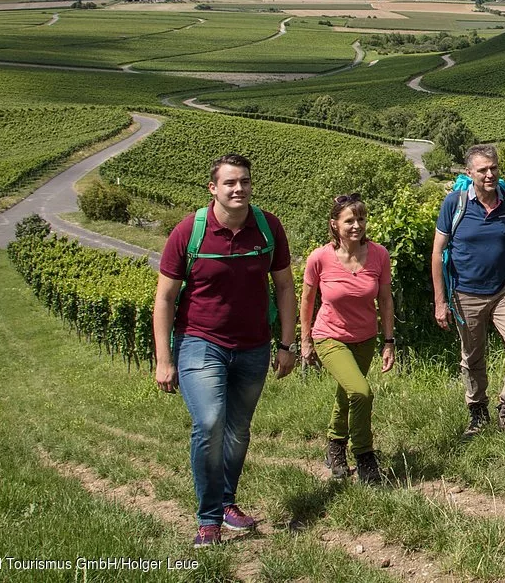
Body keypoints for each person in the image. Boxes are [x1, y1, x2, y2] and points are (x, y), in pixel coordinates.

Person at [153, 153, 298, 548]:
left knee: (238, 431)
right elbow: (165, 298)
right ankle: (208, 519)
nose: (239, 189)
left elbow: (285, 286)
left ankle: (227, 502)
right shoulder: (189, 232)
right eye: (230, 183)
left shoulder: (268, 228)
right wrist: (164, 359)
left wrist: (287, 343)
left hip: (252, 346)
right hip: (200, 342)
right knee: (211, 422)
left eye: (245, 182)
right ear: (213, 188)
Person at [431, 143, 505, 437]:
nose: (490, 175)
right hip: (466, 293)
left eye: (494, 168)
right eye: (483, 170)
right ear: (469, 173)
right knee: (473, 357)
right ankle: (477, 413)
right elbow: (438, 252)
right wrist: (440, 302)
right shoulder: (455, 203)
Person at [300, 193, 395, 484]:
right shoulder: (320, 258)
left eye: (361, 219)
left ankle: (334, 447)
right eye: (349, 220)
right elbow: (307, 300)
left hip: (365, 337)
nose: (357, 226)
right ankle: (365, 456)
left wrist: (388, 341)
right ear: (334, 224)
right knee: (361, 392)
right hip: (329, 336)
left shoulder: (379, 255)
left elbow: (386, 300)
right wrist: (305, 340)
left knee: (347, 394)